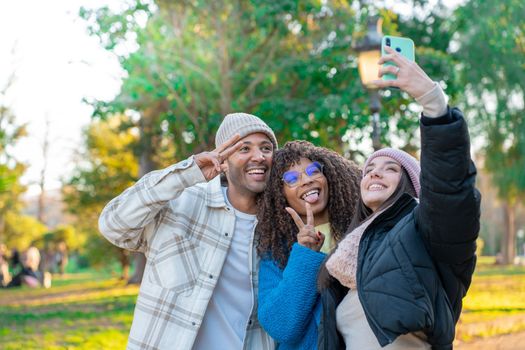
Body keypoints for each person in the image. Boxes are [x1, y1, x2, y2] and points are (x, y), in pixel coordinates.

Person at [317, 46, 481, 349]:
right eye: (369, 169)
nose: (375, 174)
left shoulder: (424, 231)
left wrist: (433, 104)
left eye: (390, 168)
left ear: (411, 184)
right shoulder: (346, 254)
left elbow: (450, 190)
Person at [98, 113, 278, 350]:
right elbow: (113, 225)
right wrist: (188, 172)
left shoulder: (279, 226)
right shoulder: (182, 204)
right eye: (244, 148)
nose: (259, 156)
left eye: (266, 148)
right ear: (223, 160)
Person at [256, 141, 361, 349]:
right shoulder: (278, 251)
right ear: (280, 194)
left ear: (328, 176)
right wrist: (304, 255)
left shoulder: (360, 232)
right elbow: (280, 325)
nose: (306, 180)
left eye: (313, 170)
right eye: (292, 179)